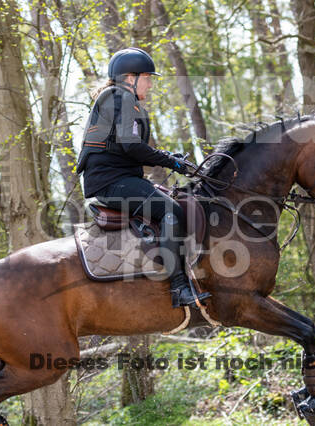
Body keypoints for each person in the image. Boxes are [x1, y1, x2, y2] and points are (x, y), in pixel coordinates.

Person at [76, 47, 211, 309]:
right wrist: (171, 161)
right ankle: (179, 288)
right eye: (147, 77)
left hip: (116, 178)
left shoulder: (120, 99)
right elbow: (132, 147)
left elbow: (128, 146)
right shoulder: (121, 98)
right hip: (111, 182)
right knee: (170, 211)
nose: (150, 83)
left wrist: (170, 156)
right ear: (130, 77)